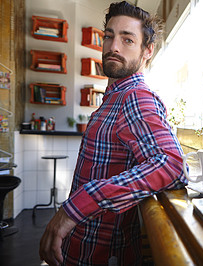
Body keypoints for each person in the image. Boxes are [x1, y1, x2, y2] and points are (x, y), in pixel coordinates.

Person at [39, 2, 187, 265]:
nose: (113, 46)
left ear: (147, 50)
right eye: (109, 36)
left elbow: (172, 165)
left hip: (99, 255)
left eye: (127, 39)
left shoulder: (136, 96)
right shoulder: (113, 98)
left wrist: (72, 210)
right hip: (83, 244)